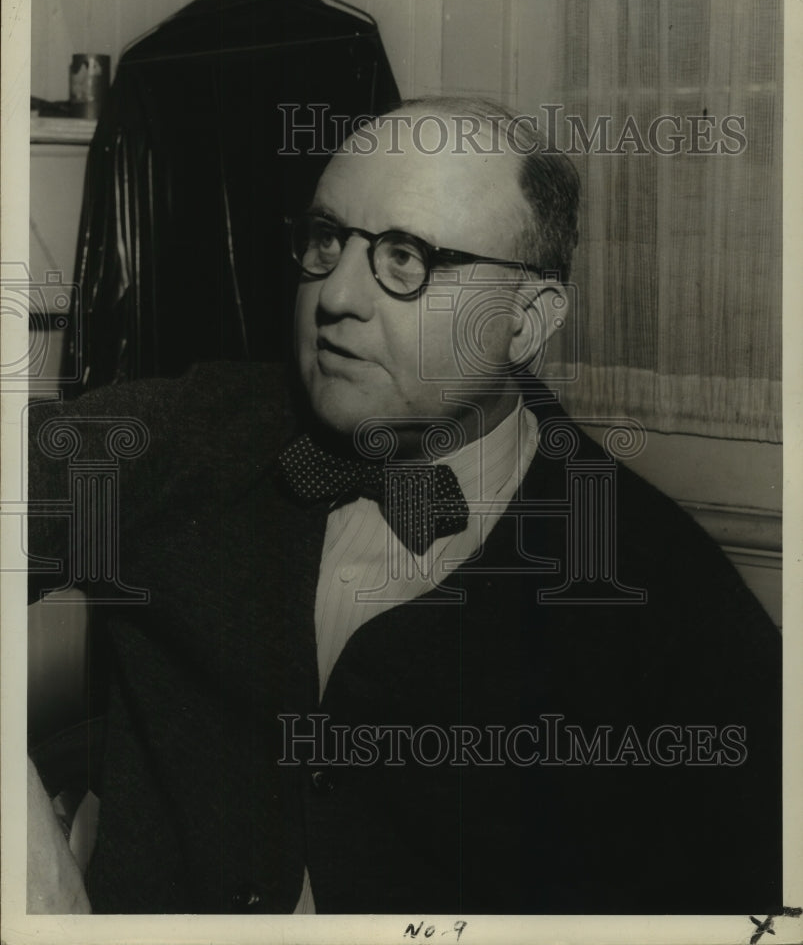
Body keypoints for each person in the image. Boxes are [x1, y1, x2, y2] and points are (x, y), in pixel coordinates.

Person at [27, 97, 781, 915]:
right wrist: (37, 872)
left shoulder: (664, 592)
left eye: (404, 257)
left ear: (526, 322)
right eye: (325, 240)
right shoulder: (186, 438)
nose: (337, 295)